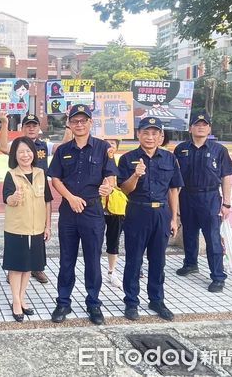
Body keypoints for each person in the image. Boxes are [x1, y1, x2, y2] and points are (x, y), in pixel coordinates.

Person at [47, 104, 117, 325]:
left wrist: (108, 186)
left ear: (90, 123)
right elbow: (55, 179)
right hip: (69, 210)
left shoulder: (103, 148)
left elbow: (111, 176)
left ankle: (94, 303)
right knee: (66, 259)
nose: (79, 124)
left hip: (93, 211)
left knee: (92, 260)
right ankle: (63, 302)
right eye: (75, 121)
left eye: (83, 120)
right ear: (69, 124)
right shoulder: (62, 150)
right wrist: (70, 198)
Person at [118, 117, 183, 321]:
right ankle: (131, 301)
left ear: (161, 136)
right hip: (137, 212)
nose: (150, 137)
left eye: (155, 133)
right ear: (139, 134)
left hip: (161, 214)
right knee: (133, 260)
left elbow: (173, 191)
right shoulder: (128, 159)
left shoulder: (169, 158)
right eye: (146, 132)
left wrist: (173, 218)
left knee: (158, 260)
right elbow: (124, 189)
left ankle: (156, 299)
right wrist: (136, 176)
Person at [0, 113, 69, 284]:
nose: (31, 128)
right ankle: (14, 269)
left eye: (34, 125)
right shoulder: (17, 146)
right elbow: (2, 147)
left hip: (38, 191)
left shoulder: (45, 145)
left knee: (38, 235)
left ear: (39, 128)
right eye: (28, 125)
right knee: (18, 233)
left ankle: (37, 268)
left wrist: (67, 125)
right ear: (22, 128)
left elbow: (64, 146)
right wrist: (4, 123)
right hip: (21, 192)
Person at [174, 112, 232, 292]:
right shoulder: (181, 149)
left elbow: (226, 177)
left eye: (204, 124)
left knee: (212, 237)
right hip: (187, 196)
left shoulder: (219, 150)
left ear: (209, 128)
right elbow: (176, 178)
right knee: (189, 232)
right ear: (190, 128)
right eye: (197, 124)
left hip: (209, 197)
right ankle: (190, 263)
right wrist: (176, 205)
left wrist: (226, 204)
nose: (200, 127)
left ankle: (218, 276)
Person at [3, 137, 52, 322]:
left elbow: (47, 200)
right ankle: (16, 301)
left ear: (34, 153)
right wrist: (14, 197)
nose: (25, 155)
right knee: (16, 268)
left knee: (28, 267)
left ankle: (22, 298)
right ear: (15, 155)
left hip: (37, 228)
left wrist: (48, 225)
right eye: (21, 152)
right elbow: (7, 199)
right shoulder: (11, 175)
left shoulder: (40, 173)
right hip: (16, 229)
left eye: (28, 151)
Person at [101, 138, 127, 288]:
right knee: (95, 242)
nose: (110, 146)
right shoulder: (96, 159)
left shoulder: (120, 162)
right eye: (107, 143)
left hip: (116, 208)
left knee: (113, 240)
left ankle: (112, 271)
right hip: (98, 207)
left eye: (113, 143)